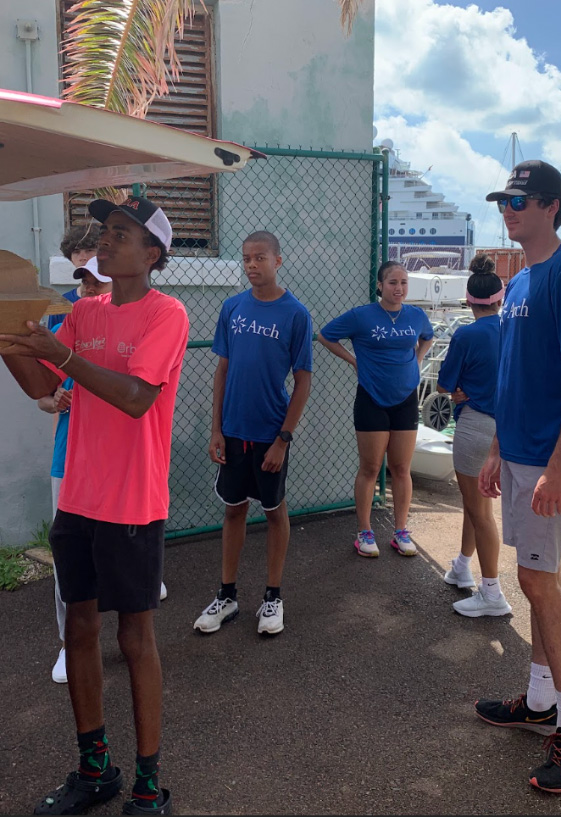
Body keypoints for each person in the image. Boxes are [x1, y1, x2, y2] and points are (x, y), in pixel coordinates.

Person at [0, 195, 188, 815]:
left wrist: (62, 356)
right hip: (79, 499)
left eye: (120, 234)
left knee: (135, 637)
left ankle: (148, 783)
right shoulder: (84, 311)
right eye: (105, 231)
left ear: (152, 254)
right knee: (78, 628)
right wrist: (8, 339)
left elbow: (135, 398)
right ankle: (95, 770)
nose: (105, 241)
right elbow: (43, 383)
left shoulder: (167, 314)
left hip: (132, 501)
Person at [473, 161, 561, 794]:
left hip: (550, 460)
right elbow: (514, 374)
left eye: (519, 201)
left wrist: (555, 467)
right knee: (533, 578)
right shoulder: (521, 279)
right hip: (519, 453)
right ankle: (538, 700)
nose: (508, 210)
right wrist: (498, 448)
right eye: (504, 201)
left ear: (552, 206)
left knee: (538, 580)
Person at [193, 231, 312, 637]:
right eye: (246, 258)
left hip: (270, 434)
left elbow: (303, 381)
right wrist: (216, 429)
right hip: (233, 432)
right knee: (233, 510)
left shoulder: (295, 314)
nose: (251, 265)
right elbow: (222, 370)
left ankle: (273, 597)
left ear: (278, 261)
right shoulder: (232, 308)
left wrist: (283, 439)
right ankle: (227, 596)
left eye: (259, 257)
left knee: (275, 512)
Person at [317, 261, 434, 557]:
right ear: (380, 286)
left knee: (401, 468)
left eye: (404, 282)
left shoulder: (416, 315)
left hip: (406, 400)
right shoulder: (362, 316)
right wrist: (354, 361)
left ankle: (400, 531)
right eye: (393, 282)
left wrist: (418, 359)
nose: (399, 288)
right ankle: (364, 531)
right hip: (372, 398)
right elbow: (326, 335)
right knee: (370, 468)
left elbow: (428, 336)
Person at [37, 256, 112, 684]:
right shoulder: (66, 321)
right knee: (68, 555)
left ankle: (125, 635)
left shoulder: (141, 326)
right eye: (83, 278)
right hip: (68, 458)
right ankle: (71, 642)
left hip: (115, 461)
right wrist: (55, 400)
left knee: (114, 555)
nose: (88, 288)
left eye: (97, 281)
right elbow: (42, 393)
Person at [436, 253, 510, 617]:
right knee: (476, 505)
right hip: (508, 428)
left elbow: (444, 384)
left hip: (476, 425)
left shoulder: (466, 334)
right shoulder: (513, 330)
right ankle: (463, 566)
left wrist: (458, 391)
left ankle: (492, 592)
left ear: (468, 300)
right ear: (500, 298)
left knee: (480, 512)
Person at [47, 224, 101, 330]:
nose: (82, 257)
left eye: (89, 250)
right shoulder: (62, 303)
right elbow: (51, 338)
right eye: (76, 252)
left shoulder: (119, 299)